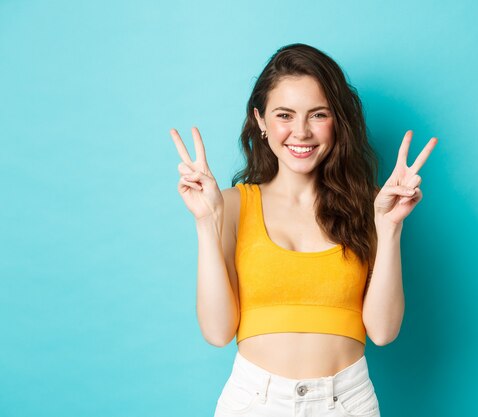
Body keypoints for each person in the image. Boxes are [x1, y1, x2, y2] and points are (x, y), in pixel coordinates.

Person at [170, 43, 437, 417]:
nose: (301, 132)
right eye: (284, 115)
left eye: (318, 115)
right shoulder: (229, 204)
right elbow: (217, 332)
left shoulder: (372, 206)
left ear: (337, 121)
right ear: (260, 120)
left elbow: (382, 331)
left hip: (346, 401)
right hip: (253, 401)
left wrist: (389, 228)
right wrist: (205, 222)